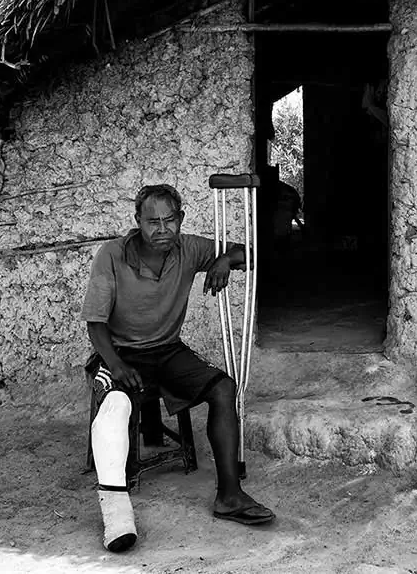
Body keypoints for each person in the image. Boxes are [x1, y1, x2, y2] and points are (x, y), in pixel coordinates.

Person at [81, 183, 274, 553]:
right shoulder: (112, 255)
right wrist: (115, 364)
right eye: (152, 221)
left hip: (168, 350)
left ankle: (230, 496)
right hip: (121, 350)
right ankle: (117, 516)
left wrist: (223, 260)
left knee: (223, 388)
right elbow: (95, 323)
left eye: (170, 220)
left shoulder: (188, 248)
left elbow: (246, 254)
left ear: (181, 220)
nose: (162, 229)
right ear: (137, 222)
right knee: (115, 407)